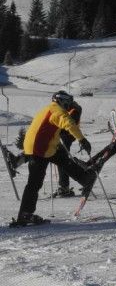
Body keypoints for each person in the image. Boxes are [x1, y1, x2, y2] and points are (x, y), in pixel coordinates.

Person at [11, 91, 95, 226]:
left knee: (62, 158)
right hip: (40, 148)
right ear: (61, 101)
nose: (69, 105)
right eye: (68, 102)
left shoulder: (47, 108)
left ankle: (85, 178)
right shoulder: (57, 111)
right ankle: (25, 214)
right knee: (35, 182)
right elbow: (69, 123)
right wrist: (82, 139)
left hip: (41, 146)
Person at [53, 99, 83, 197]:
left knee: (62, 160)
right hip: (63, 136)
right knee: (61, 160)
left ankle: (64, 187)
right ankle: (64, 186)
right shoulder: (66, 108)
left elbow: (69, 125)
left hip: (67, 136)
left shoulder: (74, 110)